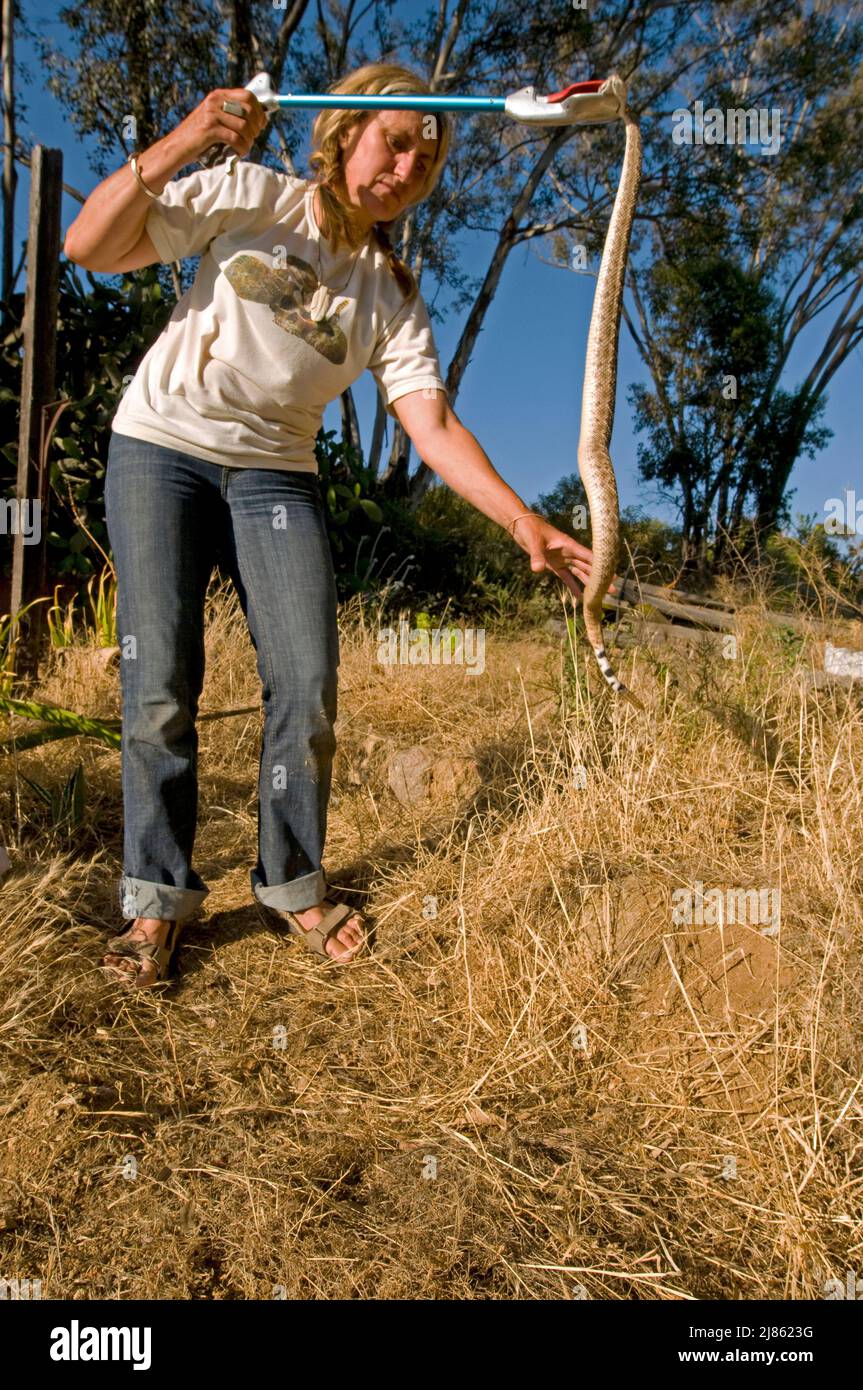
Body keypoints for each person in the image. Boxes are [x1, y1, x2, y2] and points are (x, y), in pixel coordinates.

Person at [63, 62, 609, 987]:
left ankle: (290, 881)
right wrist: (189, 137)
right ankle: (155, 901)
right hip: (161, 447)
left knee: (307, 687)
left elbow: (429, 424)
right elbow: (90, 244)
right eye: (396, 137)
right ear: (346, 131)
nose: (409, 162)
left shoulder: (390, 293)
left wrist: (521, 521)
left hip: (276, 477)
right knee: (159, 685)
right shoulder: (249, 195)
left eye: (426, 155)